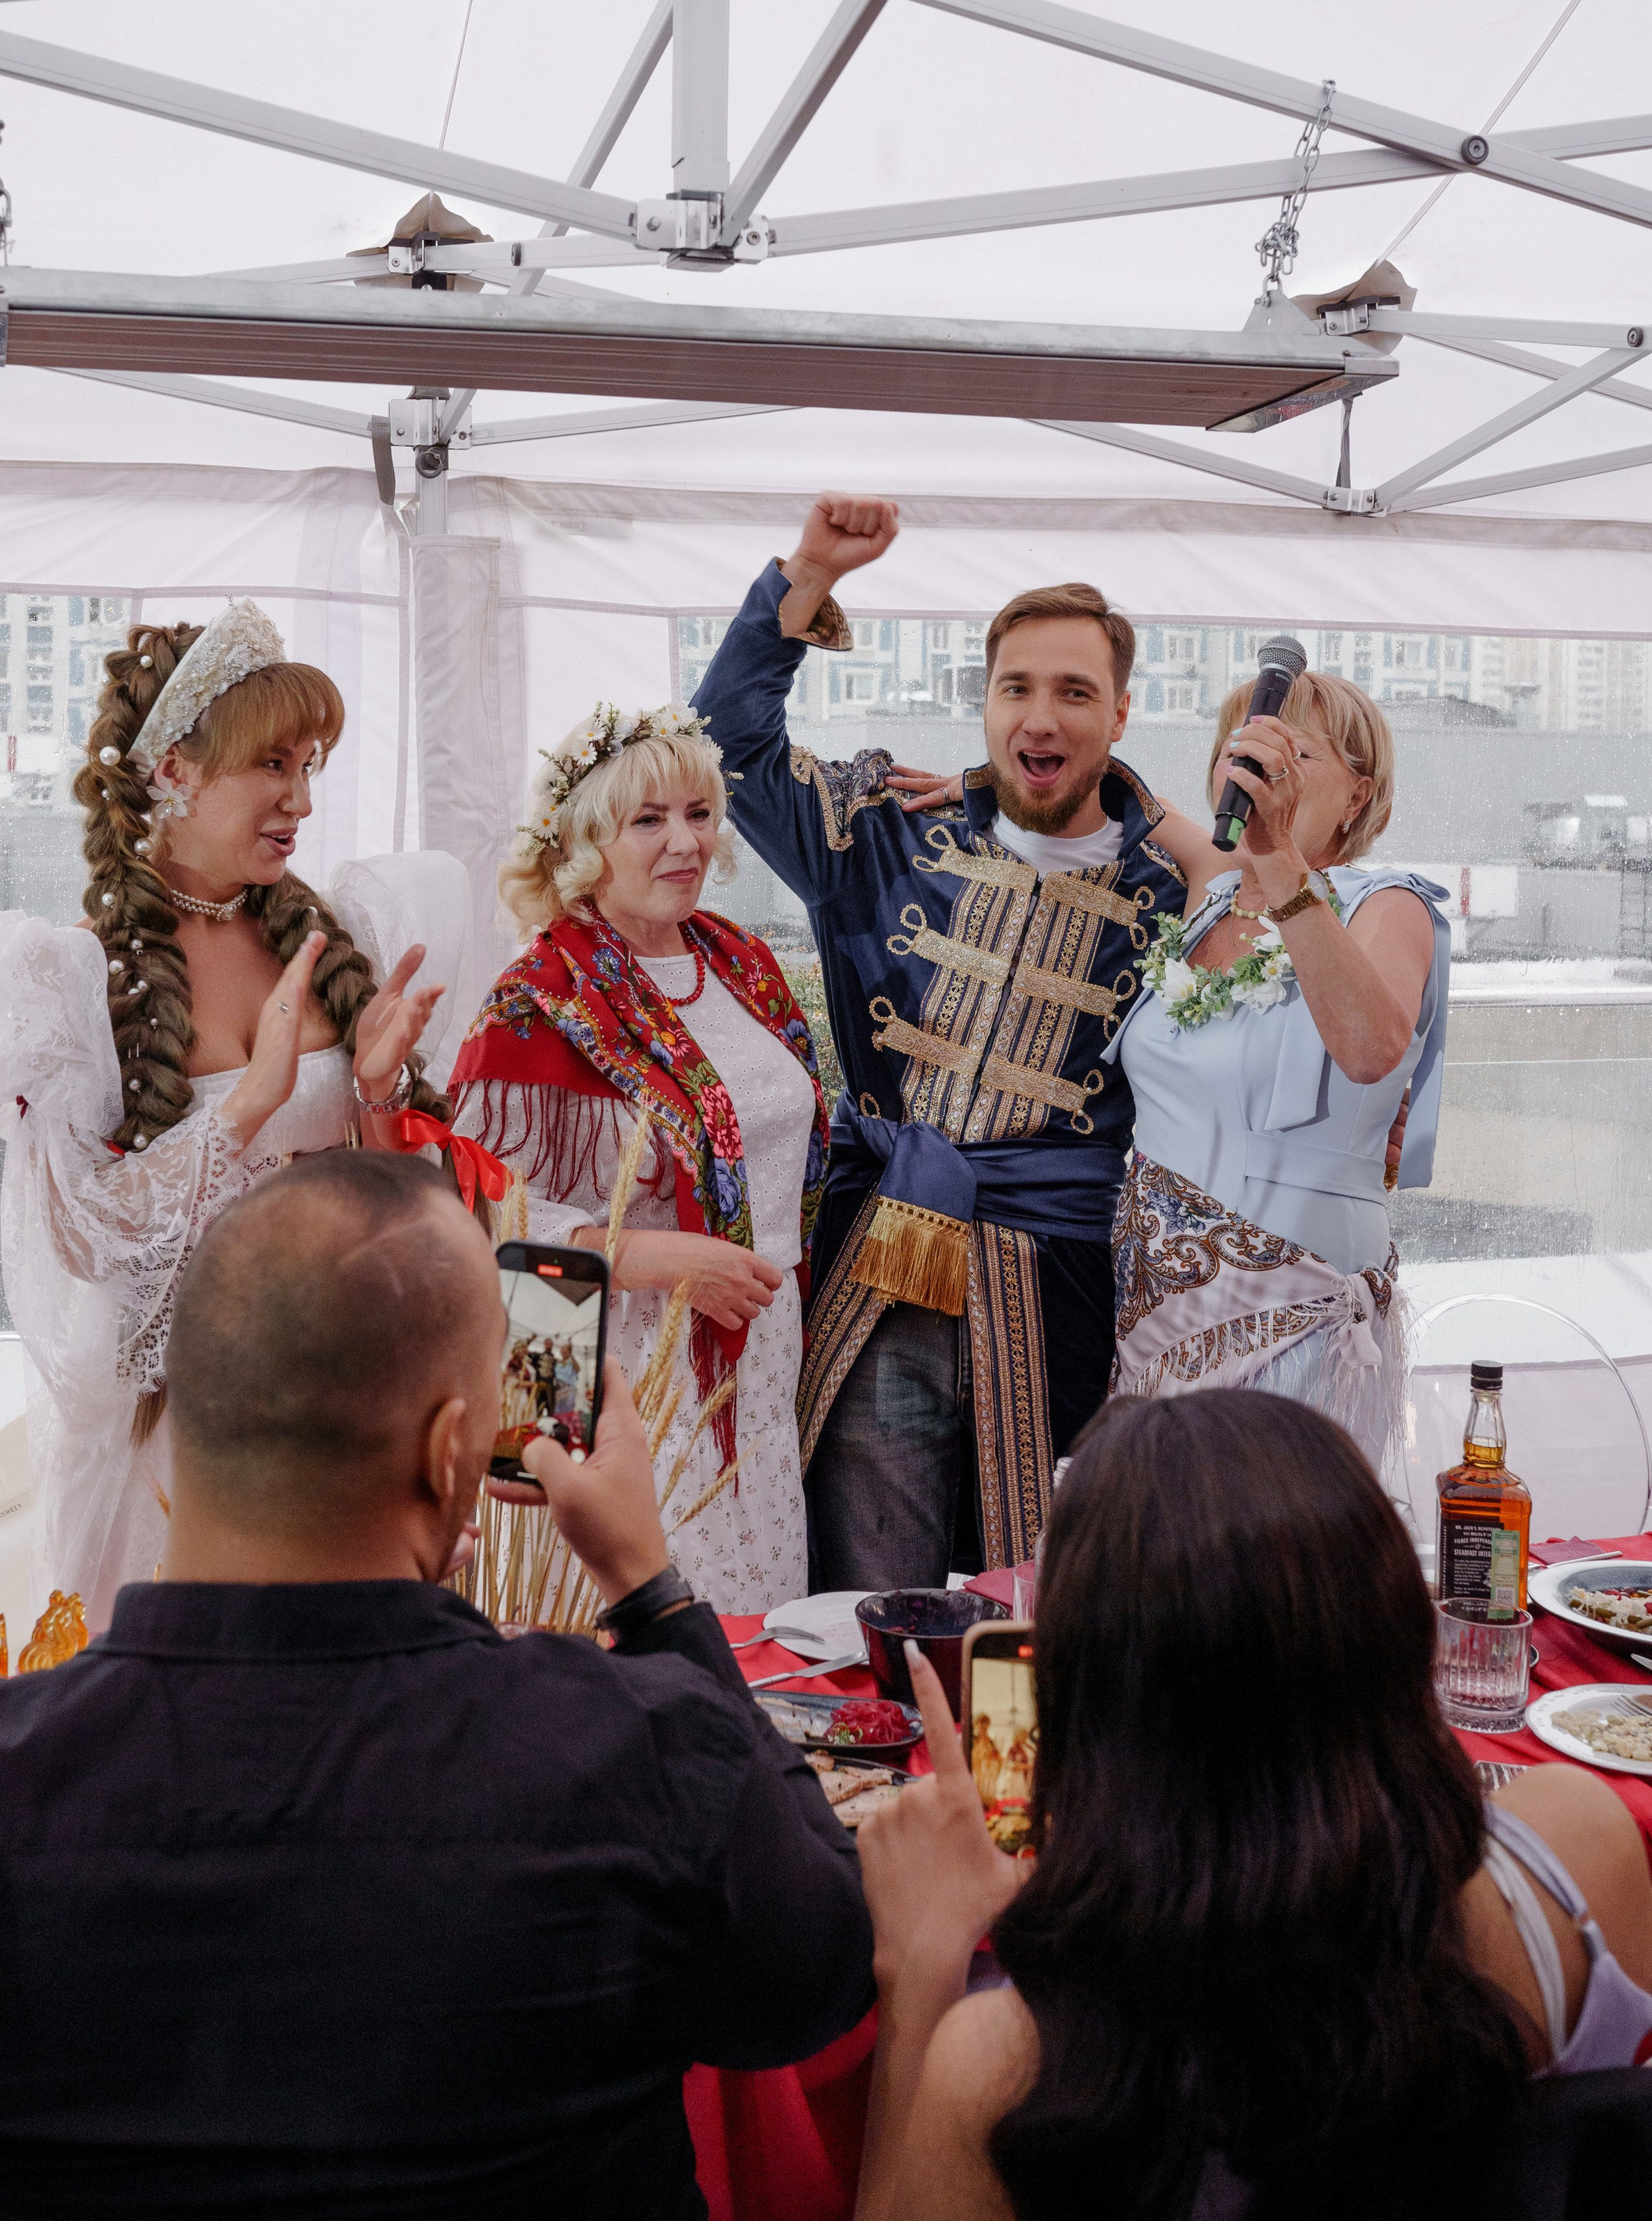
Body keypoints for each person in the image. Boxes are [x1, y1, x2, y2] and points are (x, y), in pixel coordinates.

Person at [0, 1151, 874, 2220]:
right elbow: (818, 1970)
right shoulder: (631, 1752)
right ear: (454, 1455)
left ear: (187, 1420)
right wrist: (647, 1587)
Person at [852, 1390, 1652, 2221]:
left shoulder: (1003, 2067)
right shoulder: (1580, 1844)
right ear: (1394, 1634)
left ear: (1086, 1705)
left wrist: (915, 1972)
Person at [0, 602, 461, 1626]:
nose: (301, 799)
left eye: (311, 767)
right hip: (172, 1425)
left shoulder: (339, 931)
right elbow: (80, 1235)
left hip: (331, 1388)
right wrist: (244, 1107)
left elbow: (392, 1197)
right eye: (274, 765)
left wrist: (383, 1094)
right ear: (174, 771)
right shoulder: (73, 979)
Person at [690, 493, 1189, 1588]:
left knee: (1039, 1600)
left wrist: (1166, 824)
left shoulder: (1174, 892)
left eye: (1074, 692)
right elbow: (725, 746)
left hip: (1065, 1293)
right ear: (986, 702)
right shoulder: (884, 832)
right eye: (1017, 688)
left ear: (1120, 714)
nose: (1041, 719)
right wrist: (809, 573)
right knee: (877, 1593)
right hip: (885, 1266)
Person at [452, 700, 829, 1612]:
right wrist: (659, 1262)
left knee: (754, 1628)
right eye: (648, 821)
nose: (685, 843)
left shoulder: (740, 961)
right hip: (631, 1366)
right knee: (645, 1623)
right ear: (584, 844)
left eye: (699, 815)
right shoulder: (540, 997)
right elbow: (483, 1213)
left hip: (761, 1355)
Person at [1103, 667, 1448, 1461]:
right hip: (1151, 1316)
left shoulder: (1387, 905)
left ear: (1358, 796)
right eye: (1250, 753)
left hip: (1297, 1310)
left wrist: (1282, 857)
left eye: (1295, 756)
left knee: (1270, 1562)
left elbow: (1368, 1050)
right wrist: (976, 783)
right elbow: (1106, 793)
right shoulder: (1213, 894)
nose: (1265, 774)